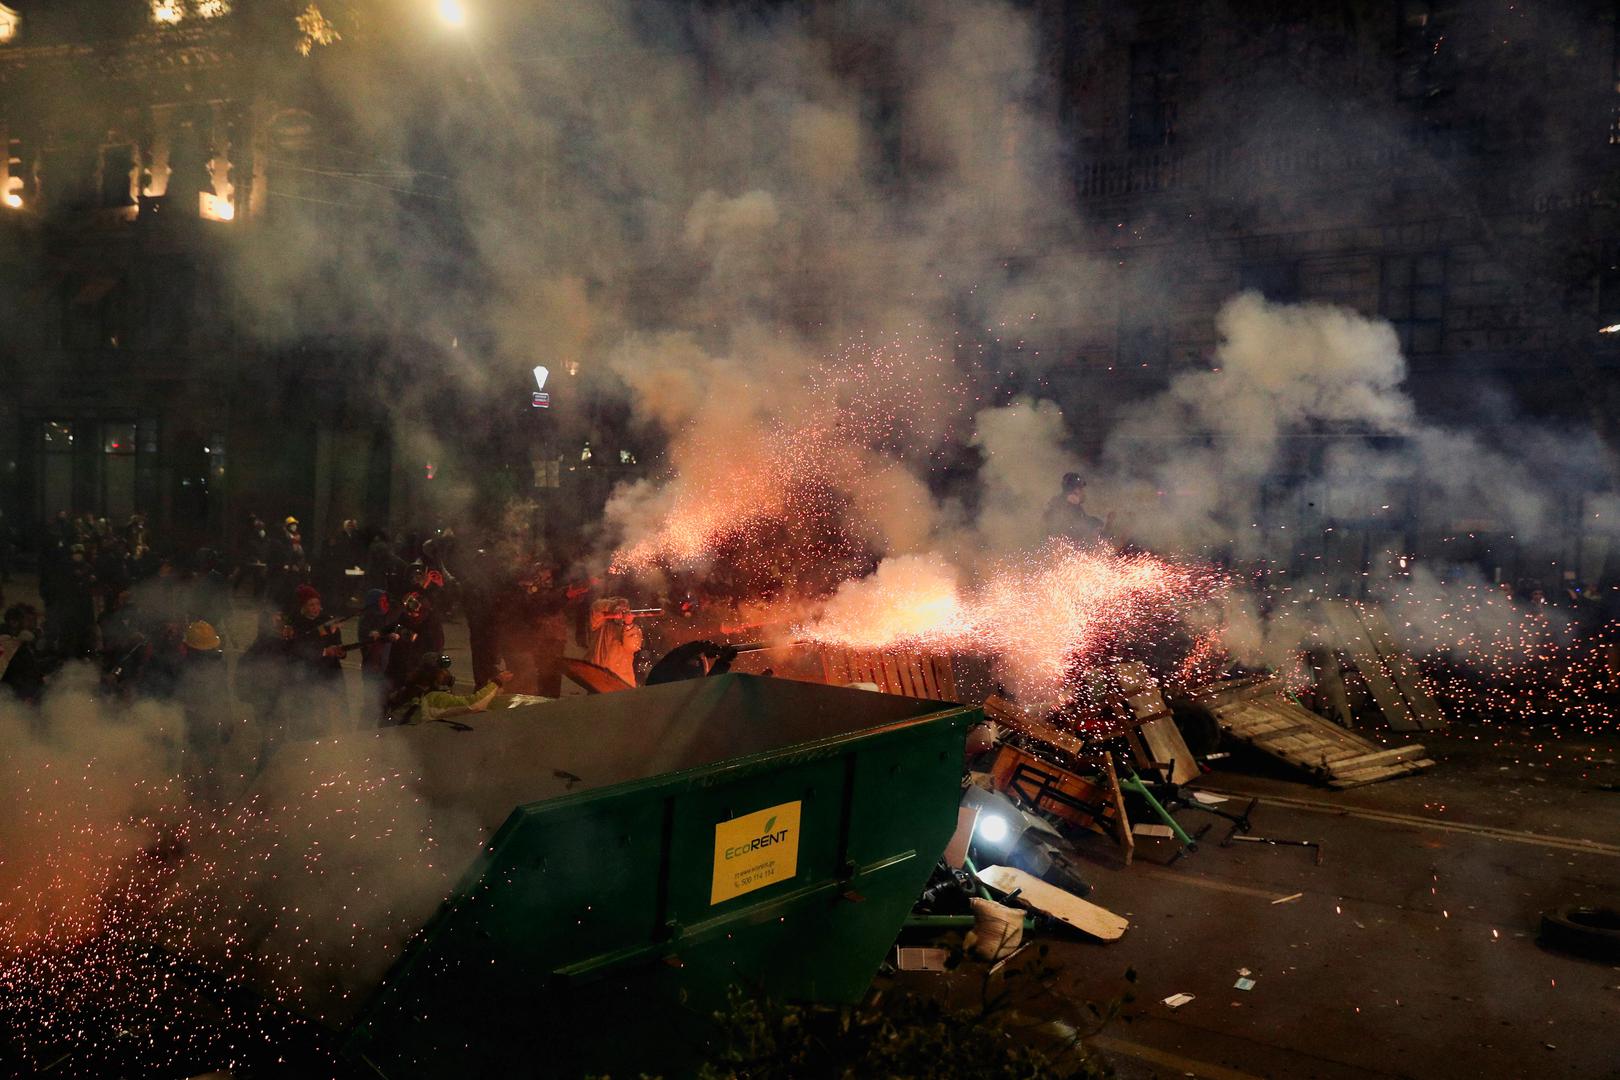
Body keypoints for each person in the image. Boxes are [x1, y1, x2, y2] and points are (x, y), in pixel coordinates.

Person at [588, 597, 645, 687]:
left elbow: (633, 646)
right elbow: (596, 609)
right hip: (597, 677)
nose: (622, 612)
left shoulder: (634, 629)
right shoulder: (601, 624)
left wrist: (628, 624)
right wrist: (612, 607)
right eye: (620, 608)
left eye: (625, 609)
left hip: (619, 682)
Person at [1043, 472, 1112, 545]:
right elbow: (1082, 524)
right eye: (1081, 489)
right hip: (1068, 546)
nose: (1083, 492)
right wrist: (1101, 523)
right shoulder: (1070, 505)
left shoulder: (1057, 501)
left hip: (1055, 545)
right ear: (1075, 490)